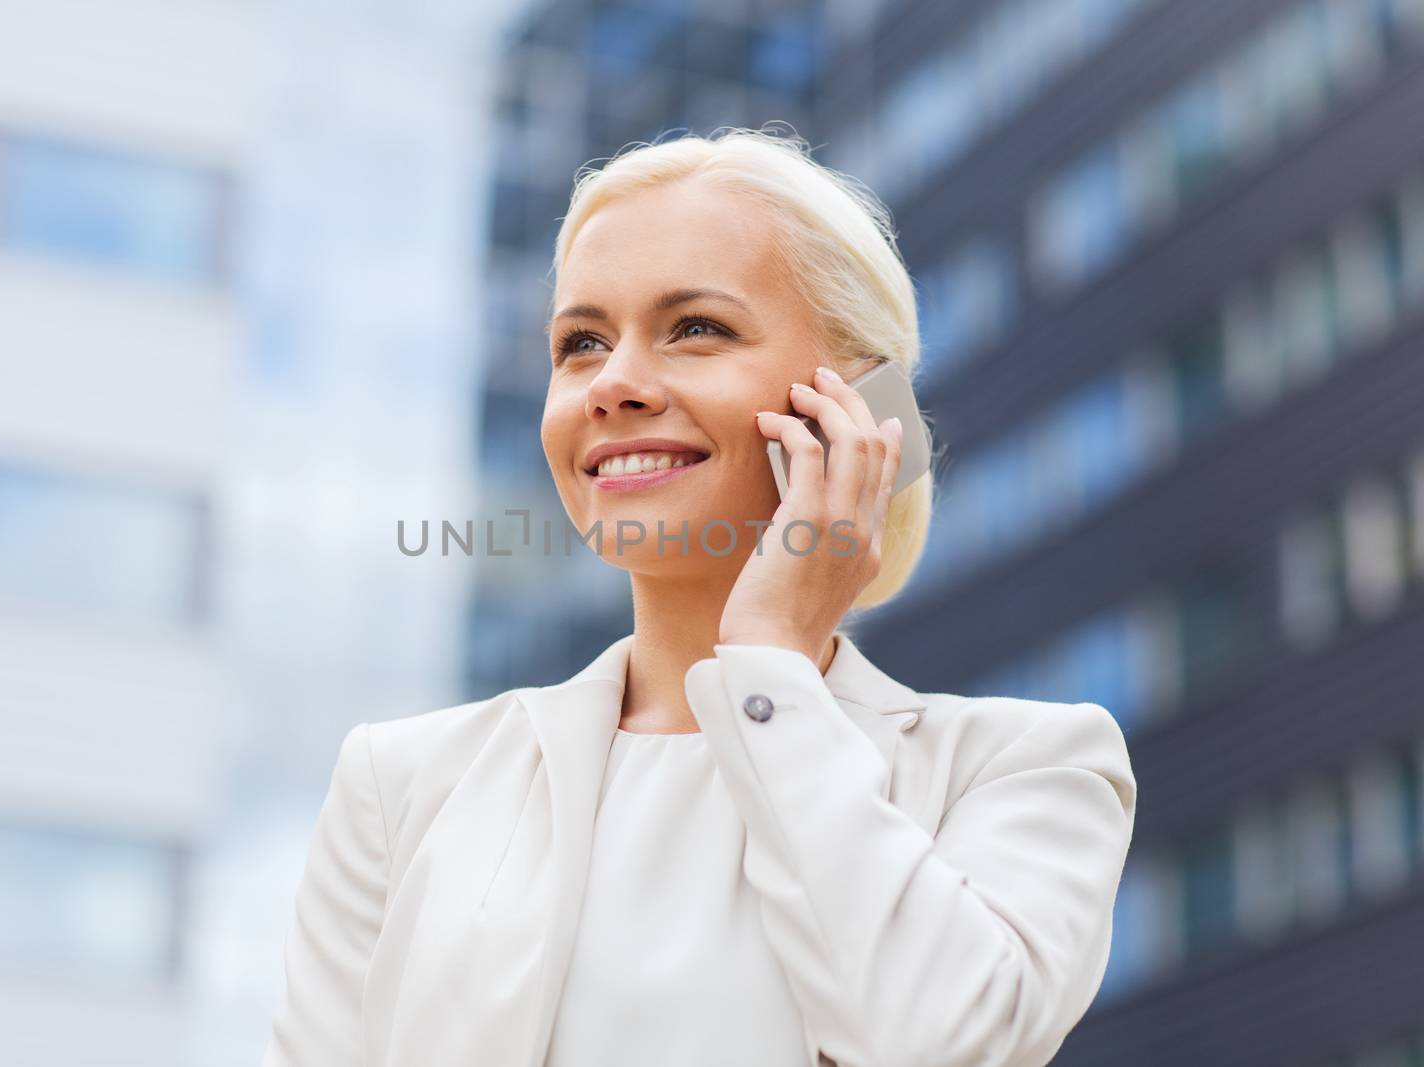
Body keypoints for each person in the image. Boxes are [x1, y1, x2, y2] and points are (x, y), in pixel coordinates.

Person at [262, 126, 1138, 1067]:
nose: (616, 384)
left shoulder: (1023, 771)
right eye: (581, 343)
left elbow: (936, 1043)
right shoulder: (402, 789)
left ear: (859, 408)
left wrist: (768, 657)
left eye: (696, 328)